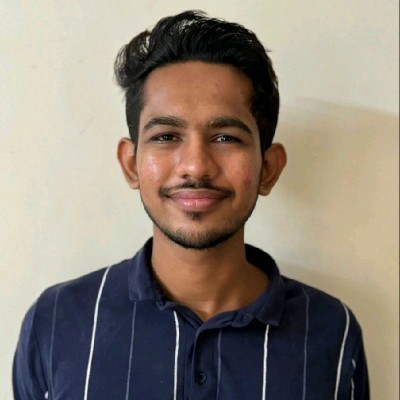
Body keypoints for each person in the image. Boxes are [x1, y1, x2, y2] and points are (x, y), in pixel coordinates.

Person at [13, 10, 369, 400]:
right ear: (131, 165)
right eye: (166, 136)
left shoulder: (330, 332)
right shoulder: (56, 322)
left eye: (226, 137)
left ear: (268, 169)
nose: (196, 166)